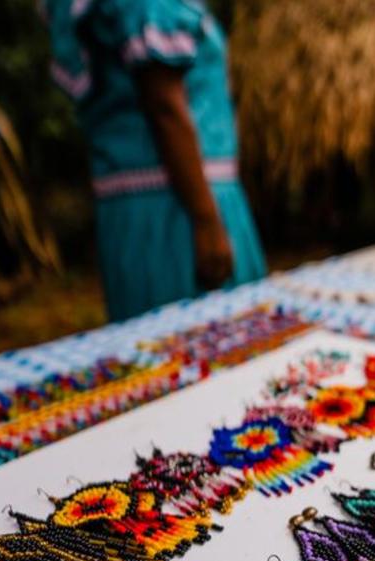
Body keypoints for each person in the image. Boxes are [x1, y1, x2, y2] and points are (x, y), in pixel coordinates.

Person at [44, 0, 267, 321]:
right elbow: (165, 106)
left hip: (144, 209)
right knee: (204, 340)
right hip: (178, 209)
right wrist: (207, 222)